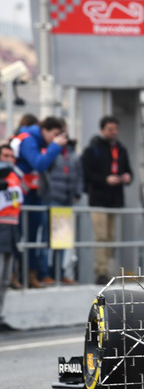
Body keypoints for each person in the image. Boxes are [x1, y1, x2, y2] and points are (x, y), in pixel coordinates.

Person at [10, 116, 68, 288]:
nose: (57, 138)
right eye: (55, 134)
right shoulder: (28, 141)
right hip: (22, 194)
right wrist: (55, 146)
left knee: (34, 236)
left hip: (40, 194)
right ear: (44, 130)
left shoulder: (45, 145)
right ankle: (16, 275)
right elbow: (39, 164)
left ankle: (34, 275)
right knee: (18, 236)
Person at [81, 116, 133, 285]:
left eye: (115, 129)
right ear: (102, 130)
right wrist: (105, 180)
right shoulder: (93, 149)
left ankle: (111, 271)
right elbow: (86, 173)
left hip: (115, 200)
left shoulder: (121, 149)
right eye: (110, 129)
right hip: (99, 200)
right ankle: (101, 272)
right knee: (101, 237)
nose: (114, 132)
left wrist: (126, 177)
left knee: (112, 237)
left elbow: (128, 171)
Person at [39, 123, 83, 284]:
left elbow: (79, 175)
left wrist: (77, 194)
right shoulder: (51, 153)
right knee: (47, 238)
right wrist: (48, 191)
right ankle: (44, 273)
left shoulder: (73, 156)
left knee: (62, 239)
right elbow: (43, 173)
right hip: (52, 199)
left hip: (66, 201)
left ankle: (59, 272)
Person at [0, 145, 24, 331]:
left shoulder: (15, 176)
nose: (8, 158)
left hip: (12, 228)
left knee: (6, 278)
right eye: (4, 155)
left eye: (11, 156)